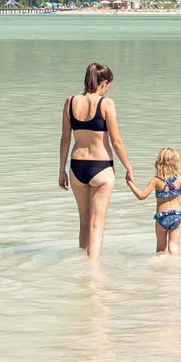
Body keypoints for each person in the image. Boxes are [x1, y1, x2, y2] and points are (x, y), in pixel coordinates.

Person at [57, 62, 134, 258]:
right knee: (97, 224)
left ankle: (82, 264)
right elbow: (116, 141)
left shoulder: (70, 102)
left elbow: (65, 139)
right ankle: (93, 270)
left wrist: (61, 171)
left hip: (76, 167)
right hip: (101, 167)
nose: (108, 89)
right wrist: (128, 167)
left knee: (84, 221)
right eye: (108, 85)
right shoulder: (106, 103)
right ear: (103, 83)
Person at [128, 147, 181, 254]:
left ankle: (159, 269)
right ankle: (176, 268)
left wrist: (130, 184)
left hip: (162, 217)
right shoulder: (179, 179)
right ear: (175, 163)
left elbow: (141, 196)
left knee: (160, 248)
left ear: (159, 162)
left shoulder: (156, 180)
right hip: (176, 216)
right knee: (173, 248)